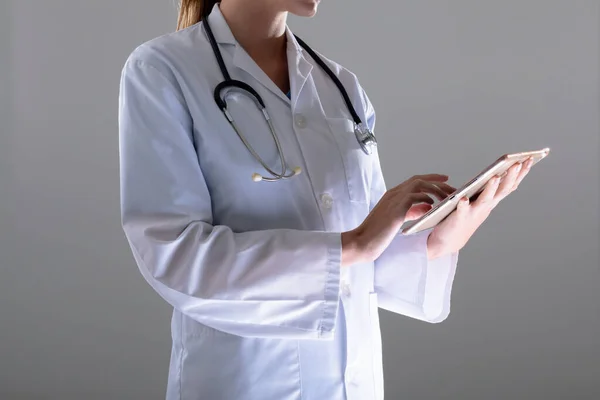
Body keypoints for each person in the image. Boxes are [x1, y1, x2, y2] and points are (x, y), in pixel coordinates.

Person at [117, 0, 533, 399]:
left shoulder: (340, 86)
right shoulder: (162, 70)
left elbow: (360, 265)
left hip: (355, 382)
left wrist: (440, 239)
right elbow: (174, 255)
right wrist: (352, 244)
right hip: (246, 382)